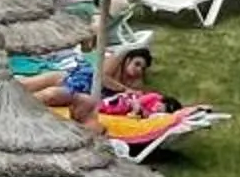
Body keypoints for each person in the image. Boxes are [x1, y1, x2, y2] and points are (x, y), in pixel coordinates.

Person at [22, 45, 151, 125]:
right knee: (25, 84)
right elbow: (101, 76)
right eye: (137, 64)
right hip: (75, 78)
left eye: (142, 68)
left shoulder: (136, 82)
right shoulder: (115, 65)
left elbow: (137, 100)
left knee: (49, 95)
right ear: (128, 60)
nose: (138, 70)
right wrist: (123, 88)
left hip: (77, 93)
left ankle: (16, 104)